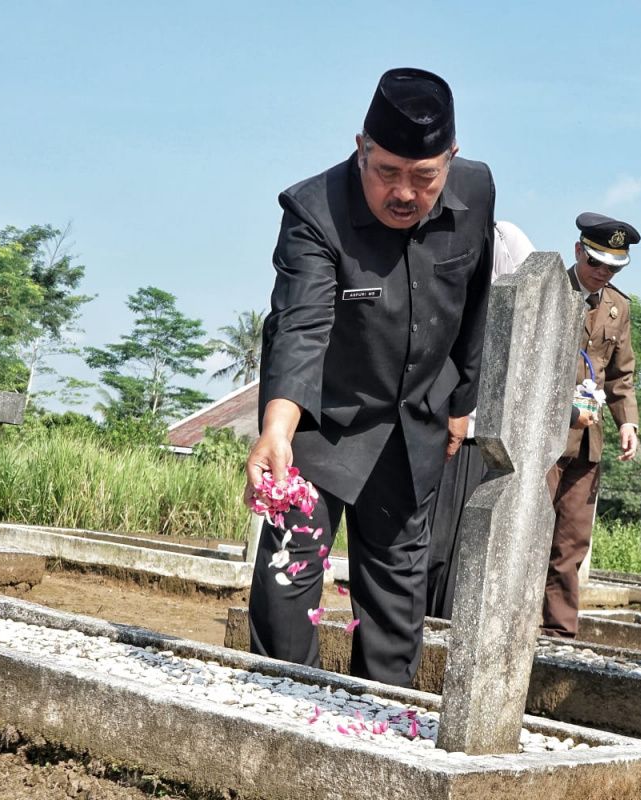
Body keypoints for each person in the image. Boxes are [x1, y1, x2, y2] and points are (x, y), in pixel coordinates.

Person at [244, 68, 495, 688]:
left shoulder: (478, 191)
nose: (405, 192)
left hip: (414, 427)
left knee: (396, 598)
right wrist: (277, 427)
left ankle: (380, 722)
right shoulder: (313, 212)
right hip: (321, 422)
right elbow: (299, 327)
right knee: (291, 573)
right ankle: (276, 709)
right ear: (361, 148)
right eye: (387, 172)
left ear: (451, 160)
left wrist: (462, 401)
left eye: (424, 176)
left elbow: (476, 298)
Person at [425, 220, 535, 619]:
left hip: (473, 429)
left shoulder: (504, 237)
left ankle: (441, 628)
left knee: (456, 546)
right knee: (427, 542)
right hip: (427, 420)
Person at [542, 212, 640, 638]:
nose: (603, 274)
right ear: (578, 251)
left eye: (613, 268)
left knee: (572, 539)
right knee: (529, 531)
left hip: (587, 443)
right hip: (542, 437)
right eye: (596, 264)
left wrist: (628, 423)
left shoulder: (618, 309)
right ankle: (514, 616)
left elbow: (621, 376)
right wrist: (564, 412)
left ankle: (559, 631)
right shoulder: (547, 293)